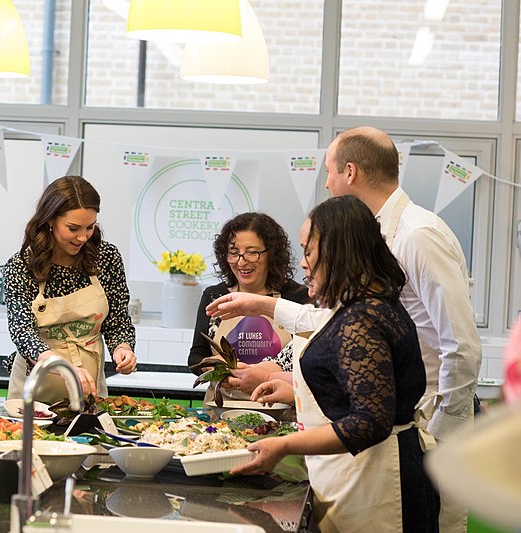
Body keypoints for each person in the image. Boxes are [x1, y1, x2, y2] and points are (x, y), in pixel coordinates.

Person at [210, 127, 481, 531]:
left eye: (329, 172)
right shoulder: (368, 264)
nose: (326, 182)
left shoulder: (418, 235)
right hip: (394, 430)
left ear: (350, 172)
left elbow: (460, 346)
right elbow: (340, 327)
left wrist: (442, 431)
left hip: (421, 424)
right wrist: (265, 306)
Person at [230, 195, 439, 532]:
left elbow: (370, 421)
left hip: (378, 482)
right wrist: (292, 389)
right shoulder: (361, 305)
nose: (303, 264)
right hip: (360, 474)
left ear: (338, 251)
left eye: (308, 251)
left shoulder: (363, 318)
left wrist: (283, 446)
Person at [4, 176, 137, 403]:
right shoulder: (21, 266)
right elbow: (22, 332)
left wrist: (122, 348)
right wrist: (63, 367)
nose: (83, 237)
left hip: (90, 391)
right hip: (33, 393)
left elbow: (117, 322)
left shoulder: (106, 258)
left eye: (90, 227)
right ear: (50, 220)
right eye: (73, 228)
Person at [187, 212, 310, 405]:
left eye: (252, 252)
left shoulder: (297, 297)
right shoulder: (214, 296)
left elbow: (307, 362)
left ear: (272, 253)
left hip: (280, 412)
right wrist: (214, 369)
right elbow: (196, 356)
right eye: (234, 253)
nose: (242, 262)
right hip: (221, 413)